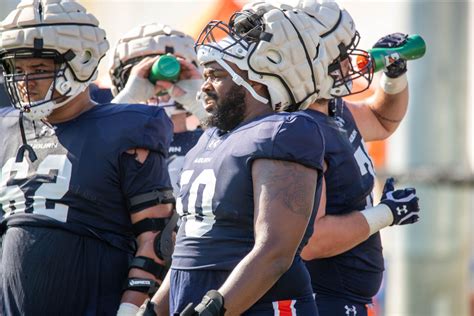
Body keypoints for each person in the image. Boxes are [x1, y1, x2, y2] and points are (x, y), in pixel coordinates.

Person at [139, 3, 333, 315]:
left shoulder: (284, 131)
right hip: (199, 301)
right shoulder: (209, 138)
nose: (203, 87)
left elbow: (275, 252)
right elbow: (190, 253)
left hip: (255, 305)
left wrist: (214, 309)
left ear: (258, 78)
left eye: (215, 75)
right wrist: (153, 309)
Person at [0, 1, 176, 315]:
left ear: (82, 62)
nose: (25, 82)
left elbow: (157, 240)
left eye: (39, 69)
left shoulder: (128, 128)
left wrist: (130, 310)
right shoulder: (7, 127)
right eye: (17, 69)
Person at [265, 1, 421, 315]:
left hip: (345, 299)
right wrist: (385, 214)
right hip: (318, 299)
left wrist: (394, 77)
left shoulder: (330, 108)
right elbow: (311, 241)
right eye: (340, 56)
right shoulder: (300, 129)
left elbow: (380, 120)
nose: (350, 64)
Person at [108, 23, 206, 196]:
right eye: (143, 76)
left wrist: (201, 103)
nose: (159, 87)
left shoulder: (214, 138)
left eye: (176, 73)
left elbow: (242, 143)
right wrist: (127, 98)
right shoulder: (115, 145)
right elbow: (85, 146)